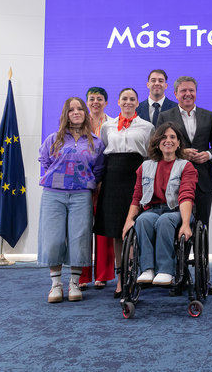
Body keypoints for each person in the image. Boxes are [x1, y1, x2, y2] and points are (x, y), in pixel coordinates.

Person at [157, 76, 212, 294]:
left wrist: (209, 154)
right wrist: (179, 152)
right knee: (178, 228)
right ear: (175, 94)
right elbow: (157, 146)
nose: (188, 94)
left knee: (202, 229)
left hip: (203, 181)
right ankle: (179, 276)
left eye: (191, 90)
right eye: (183, 91)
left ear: (196, 92)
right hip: (174, 183)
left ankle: (204, 278)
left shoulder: (208, 116)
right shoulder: (165, 116)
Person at [38, 97, 105, 303]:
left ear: (85, 113)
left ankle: (74, 283)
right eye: (71, 109)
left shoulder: (96, 142)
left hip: (81, 195)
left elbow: (99, 168)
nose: (76, 112)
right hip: (53, 194)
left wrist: (87, 183)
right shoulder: (53, 139)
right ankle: (55, 284)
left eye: (79, 109)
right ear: (65, 114)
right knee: (54, 239)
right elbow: (45, 160)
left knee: (79, 238)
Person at [93, 87, 155, 297]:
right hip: (112, 179)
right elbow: (103, 152)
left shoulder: (147, 127)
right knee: (116, 232)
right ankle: (120, 278)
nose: (128, 102)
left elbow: (150, 155)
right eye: (124, 99)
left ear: (138, 103)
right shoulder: (107, 126)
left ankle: (133, 274)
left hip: (135, 177)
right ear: (118, 102)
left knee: (133, 228)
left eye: (132, 99)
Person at [122, 122, 197, 285]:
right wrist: (129, 220)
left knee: (165, 220)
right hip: (153, 209)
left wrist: (185, 223)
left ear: (178, 143)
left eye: (172, 137)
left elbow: (186, 195)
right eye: (163, 137)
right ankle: (147, 269)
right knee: (142, 220)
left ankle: (165, 270)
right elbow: (137, 196)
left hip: (177, 210)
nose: (168, 140)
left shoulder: (186, 166)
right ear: (157, 142)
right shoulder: (145, 166)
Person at [78, 86, 115, 290]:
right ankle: (82, 276)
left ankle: (102, 275)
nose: (95, 102)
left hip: (106, 181)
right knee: (83, 229)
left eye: (99, 99)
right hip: (82, 183)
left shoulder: (113, 124)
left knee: (103, 228)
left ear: (106, 102)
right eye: (91, 99)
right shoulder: (78, 124)